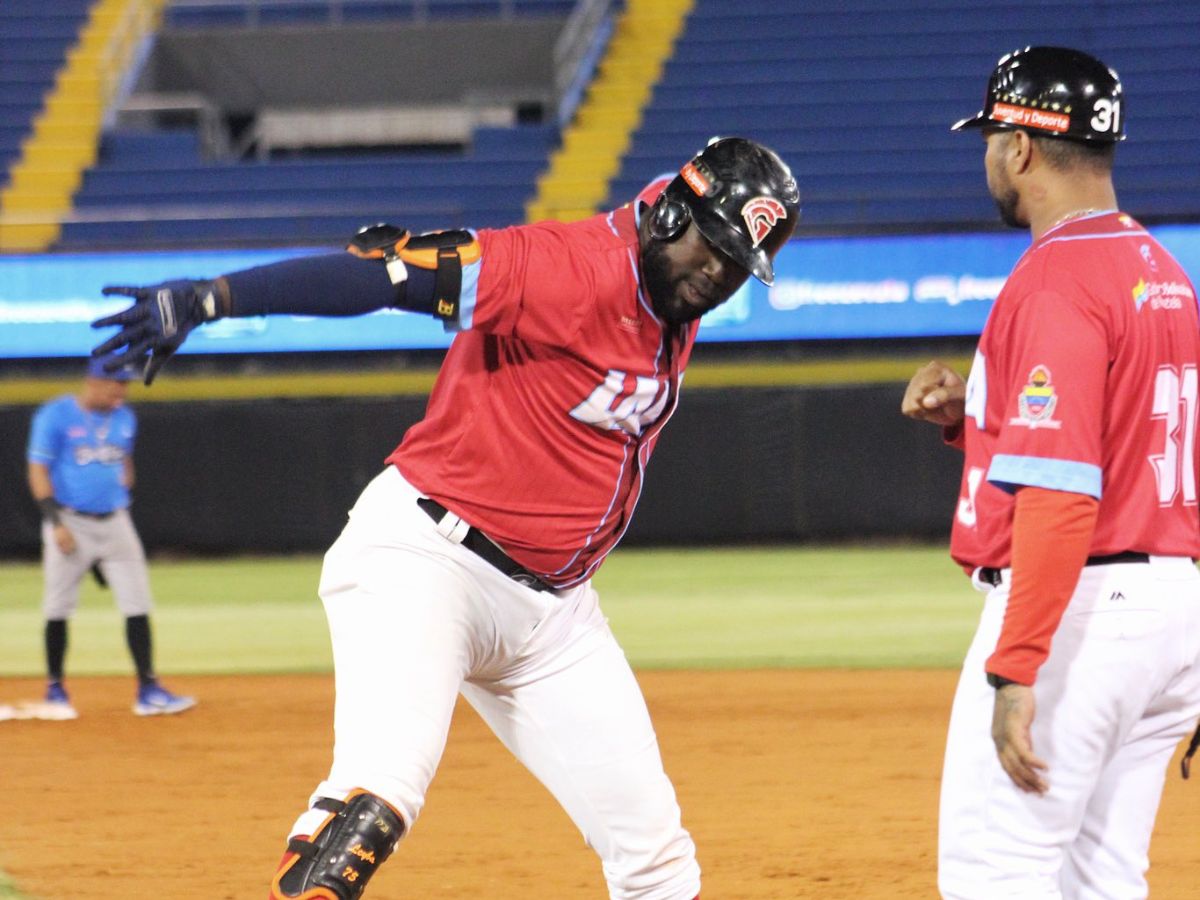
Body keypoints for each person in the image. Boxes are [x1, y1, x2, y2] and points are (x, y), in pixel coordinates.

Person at [89, 136, 799, 900]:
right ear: (666, 218)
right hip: (429, 561)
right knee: (369, 810)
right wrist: (211, 299)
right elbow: (380, 280)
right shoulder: (564, 266)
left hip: (554, 617)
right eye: (711, 247)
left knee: (657, 861)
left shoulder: (670, 282)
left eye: (735, 264)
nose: (716, 273)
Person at [902, 46, 1200, 899]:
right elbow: (1143, 448)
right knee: (1099, 881)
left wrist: (1017, 665)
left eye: (992, 136)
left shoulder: (1055, 280)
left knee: (996, 876)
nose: (987, 155)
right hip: (1171, 616)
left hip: (1085, 617)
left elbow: (1064, 490)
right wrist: (975, 424)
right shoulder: (1161, 271)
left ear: (1022, 150)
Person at [26, 354, 197, 720]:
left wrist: (119, 491)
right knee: (57, 607)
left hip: (116, 522)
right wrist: (54, 521)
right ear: (94, 381)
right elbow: (38, 469)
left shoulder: (124, 417)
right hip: (70, 523)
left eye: (125, 383)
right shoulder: (55, 416)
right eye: (116, 383)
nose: (122, 390)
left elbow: (125, 464)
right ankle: (55, 690)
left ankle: (148, 690)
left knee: (138, 603)